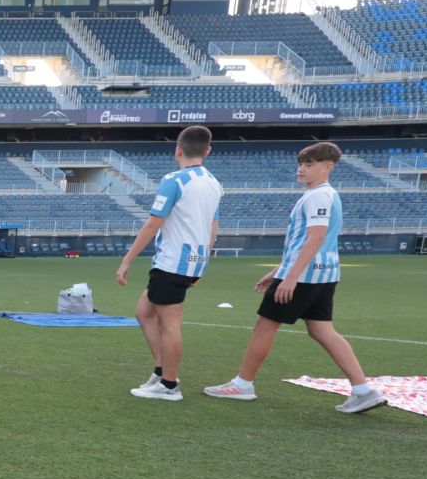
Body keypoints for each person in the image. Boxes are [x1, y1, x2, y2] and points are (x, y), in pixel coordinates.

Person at [203, 142, 386, 414]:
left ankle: (243, 384)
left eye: (309, 164)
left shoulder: (317, 197)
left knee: (265, 326)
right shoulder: (325, 194)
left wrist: (290, 277)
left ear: (328, 167)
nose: (301, 169)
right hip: (324, 274)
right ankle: (363, 391)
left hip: (305, 276)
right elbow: (309, 241)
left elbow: (315, 238)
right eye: (301, 164)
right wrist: (278, 270)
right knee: (321, 330)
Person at [116, 124, 224, 401]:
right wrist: (202, 262)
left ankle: (169, 385)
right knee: (143, 313)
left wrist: (127, 260)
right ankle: (161, 371)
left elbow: (153, 224)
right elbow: (213, 227)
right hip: (189, 261)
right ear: (208, 151)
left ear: (177, 150)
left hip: (172, 262)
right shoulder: (213, 183)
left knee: (170, 324)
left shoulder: (174, 180)